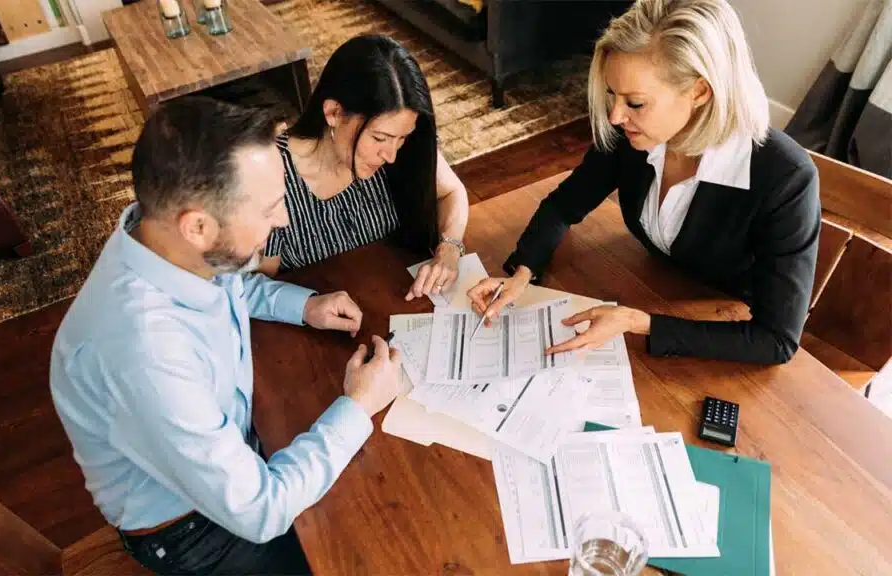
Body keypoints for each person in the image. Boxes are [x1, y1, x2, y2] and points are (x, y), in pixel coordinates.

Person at [49, 97, 402, 575]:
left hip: (232, 453)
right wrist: (359, 406)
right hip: (192, 531)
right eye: (270, 208)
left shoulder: (163, 236)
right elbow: (261, 509)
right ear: (197, 226)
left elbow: (231, 280)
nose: (283, 220)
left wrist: (304, 305)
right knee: (374, 546)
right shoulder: (142, 351)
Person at [468, 0, 820, 365]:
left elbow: (776, 340)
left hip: (719, 327)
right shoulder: (634, 134)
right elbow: (564, 204)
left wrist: (640, 322)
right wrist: (522, 273)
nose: (615, 116)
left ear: (699, 91)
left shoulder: (786, 178)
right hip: (651, 282)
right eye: (611, 95)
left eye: (635, 103)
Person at [259, 34, 470, 302]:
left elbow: (452, 192)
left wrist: (449, 249)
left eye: (402, 137)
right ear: (333, 113)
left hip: (393, 300)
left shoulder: (402, 149)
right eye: (379, 138)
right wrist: (308, 305)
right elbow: (258, 286)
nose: (391, 155)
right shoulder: (270, 174)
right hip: (320, 328)